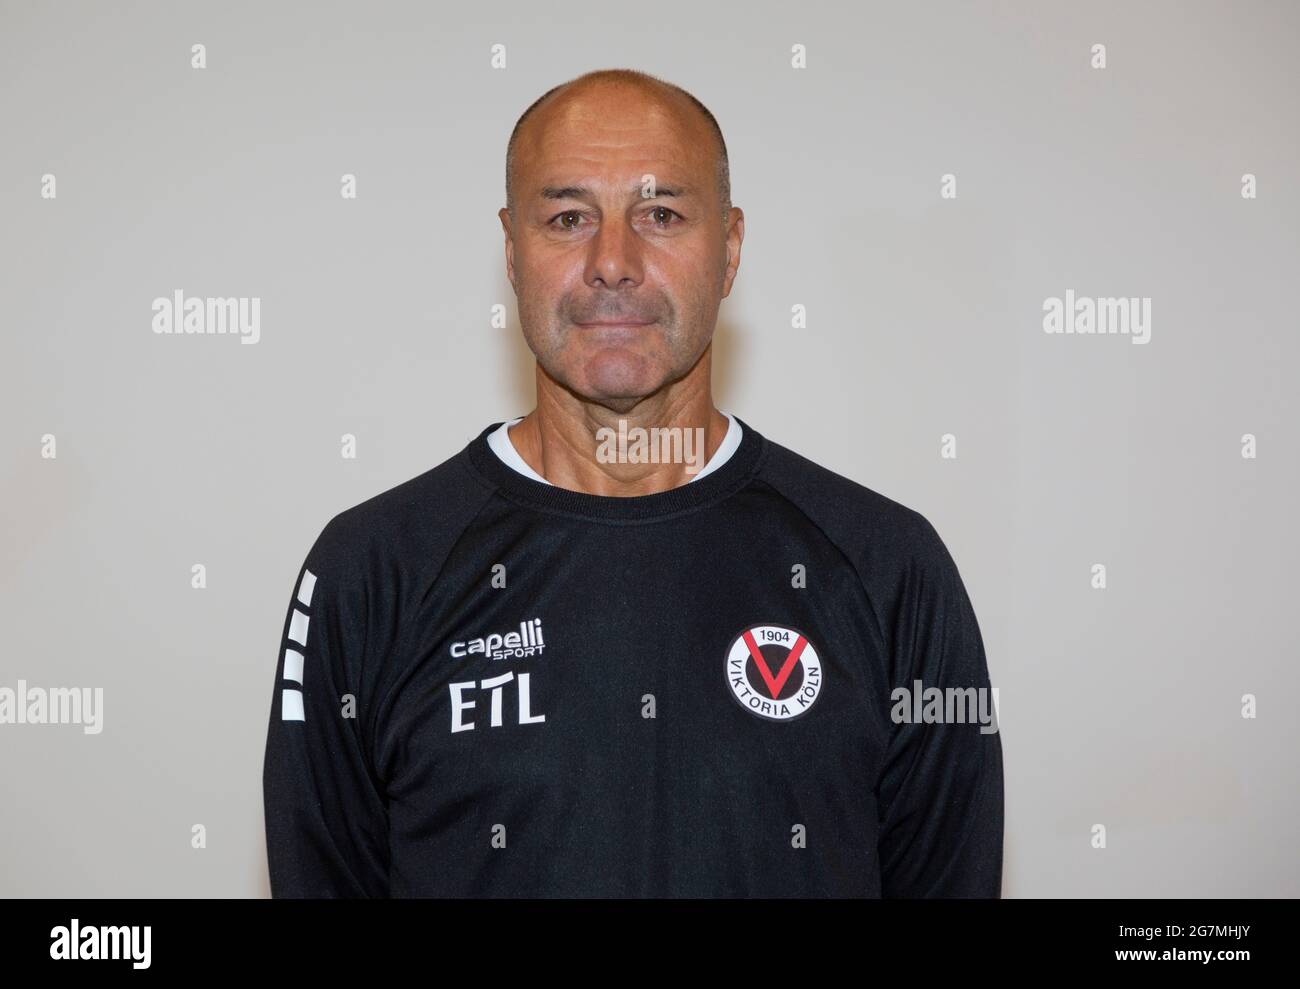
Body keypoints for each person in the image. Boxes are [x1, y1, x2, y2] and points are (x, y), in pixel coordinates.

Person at [262, 68, 1004, 897]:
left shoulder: (888, 569)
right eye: (568, 217)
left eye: (661, 214)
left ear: (729, 250)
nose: (612, 262)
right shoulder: (372, 571)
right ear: (513, 252)